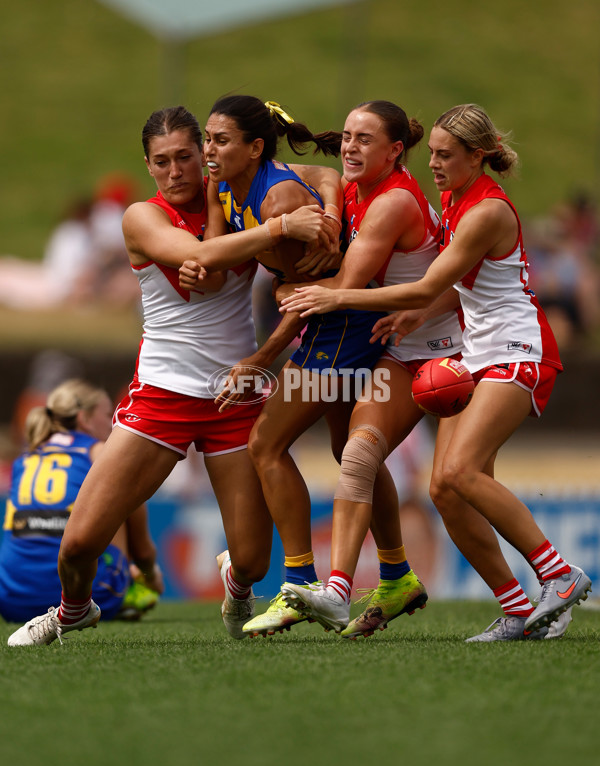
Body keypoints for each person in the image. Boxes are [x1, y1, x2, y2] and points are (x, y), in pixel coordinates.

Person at [6, 105, 335, 647]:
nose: (175, 170)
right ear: (148, 165)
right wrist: (279, 228)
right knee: (78, 545)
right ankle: (73, 610)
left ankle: (236, 581)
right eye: (162, 161)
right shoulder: (141, 217)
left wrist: (323, 218)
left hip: (234, 396)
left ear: (204, 157)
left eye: (187, 156)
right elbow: (203, 258)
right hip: (162, 395)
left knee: (252, 563)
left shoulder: (236, 200)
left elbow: (323, 178)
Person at [281, 103, 592, 641]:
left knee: (457, 473)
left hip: (518, 349)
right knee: (446, 490)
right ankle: (517, 608)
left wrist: (335, 299)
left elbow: (429, 283)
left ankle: (559, 573)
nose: (436, 165)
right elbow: (454, 286)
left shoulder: (486, 212)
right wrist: (419, 315)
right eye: (434, 155)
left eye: (448, 156)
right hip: (478, 352)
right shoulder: (453, 199)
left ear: (479, 156)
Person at [182, 98, 457, 639]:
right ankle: (397, 572)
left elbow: (321, 298)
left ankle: (299, 582)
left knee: (266, 443)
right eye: (207, 140)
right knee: (343, 450)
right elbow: (321, 179)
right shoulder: (235, 186)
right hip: (347, 322)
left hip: (347, 327)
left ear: (254, 148)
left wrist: (262, 358)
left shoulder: (280, 197)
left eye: (219, 141)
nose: (206, 152)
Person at [0, 379, 163, 625]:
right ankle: (127, 584)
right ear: (84, 419)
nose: (114, 420)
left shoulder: (26, 457)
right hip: (91, 596)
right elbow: (141, 549)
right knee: (120, 497)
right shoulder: (99, 452)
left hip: (11, 599)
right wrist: (151, 574)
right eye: (108, 413)